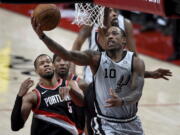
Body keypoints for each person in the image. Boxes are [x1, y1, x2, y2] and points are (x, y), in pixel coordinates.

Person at [32, 12, 145, 134]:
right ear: (101, 38)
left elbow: (137, 92)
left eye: (114, 33)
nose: (110, 36)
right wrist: (43, 37)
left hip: (131, 122)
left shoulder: (135, 62)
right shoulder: (94, 57)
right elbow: (66, 53)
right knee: (88, 119)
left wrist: (123, 100)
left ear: (124, 41)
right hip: (104, 115)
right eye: (107, 34)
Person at [72, 7, 172, 83]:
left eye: (116, 11)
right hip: (91, 77)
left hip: (115, 78)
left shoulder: (125, 23)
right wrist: (72, 72)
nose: (114, 14)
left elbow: (134, 54)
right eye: (110, 11)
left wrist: (142, 73)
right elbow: (77, 43)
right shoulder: (93, 22)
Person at [11, 54, 81, 135]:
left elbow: (83, 103)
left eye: (48, 62)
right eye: (41, 63)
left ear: (54, 66)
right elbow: (15, 126)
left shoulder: (70, 85)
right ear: (36, 71)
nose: (46, 64)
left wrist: (71, 91)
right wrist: (19, 97)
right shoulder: (34, 96)